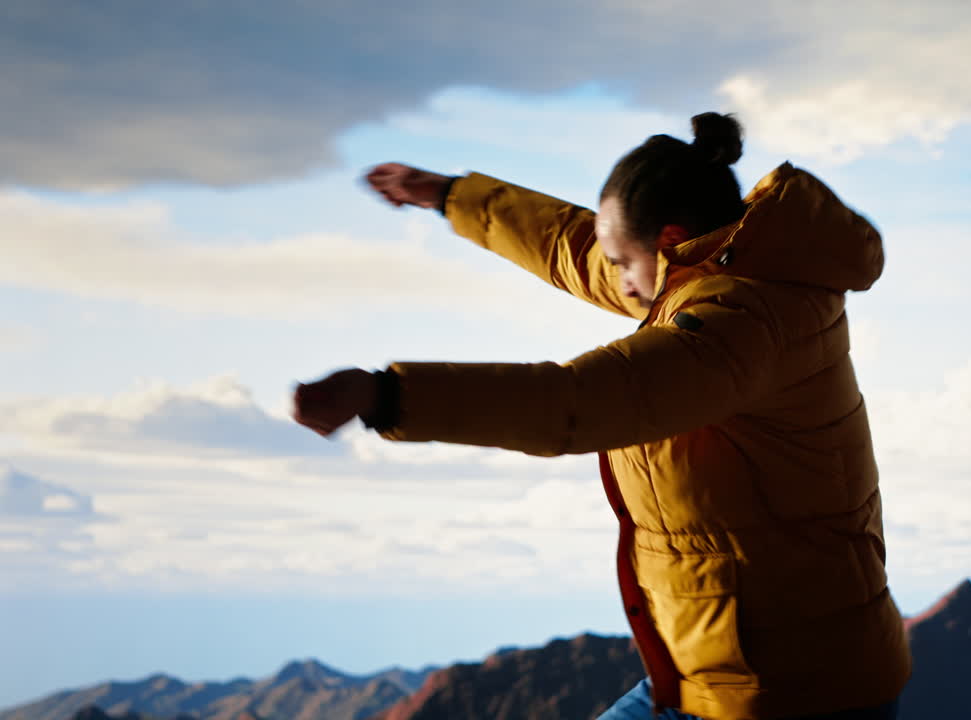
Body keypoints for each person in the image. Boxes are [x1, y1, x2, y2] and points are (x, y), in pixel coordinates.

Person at [292, 112, 911, 719]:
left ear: (668, 241)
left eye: (623, 263)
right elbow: (577, 246)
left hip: (793, 691)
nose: (616, 280)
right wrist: (452, 196)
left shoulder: (740, 324)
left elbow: (579, 402)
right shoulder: (728, 268)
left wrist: (385, 396)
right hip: (726, 668)